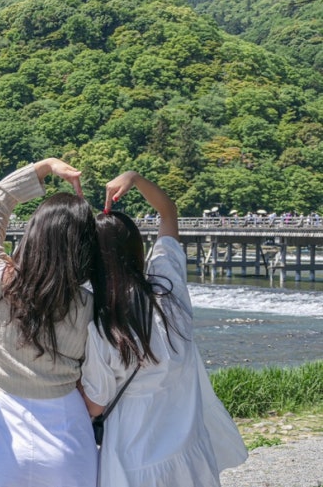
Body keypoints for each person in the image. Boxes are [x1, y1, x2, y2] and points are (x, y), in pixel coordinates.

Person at [80, 171, 247, 487]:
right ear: (137, 249)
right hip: (189, 452)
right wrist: (136, 179)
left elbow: (95, 404)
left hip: (133, 459)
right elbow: (168, 212)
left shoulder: (103, 327)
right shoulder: (170, 292)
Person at [0, 158, 99, 487]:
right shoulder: (89, 306)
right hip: (67, 429)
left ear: (31, 233)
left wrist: (45, 167)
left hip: (1, 428)